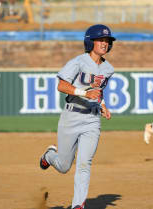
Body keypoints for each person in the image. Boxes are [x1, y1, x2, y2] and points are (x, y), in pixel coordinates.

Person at [39, 24, 115, 209]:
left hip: (92, 120)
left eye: (107, 41)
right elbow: (62, 86)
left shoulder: (108, 69)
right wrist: (83, 93)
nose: (104, 43)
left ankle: (78, 205)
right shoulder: (78, 62)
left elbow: (98, 92)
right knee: (64, 166)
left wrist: (103, 105)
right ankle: (50, 156)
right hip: (71, 116)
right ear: (90, 41)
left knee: (84, 163)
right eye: (101, 40)